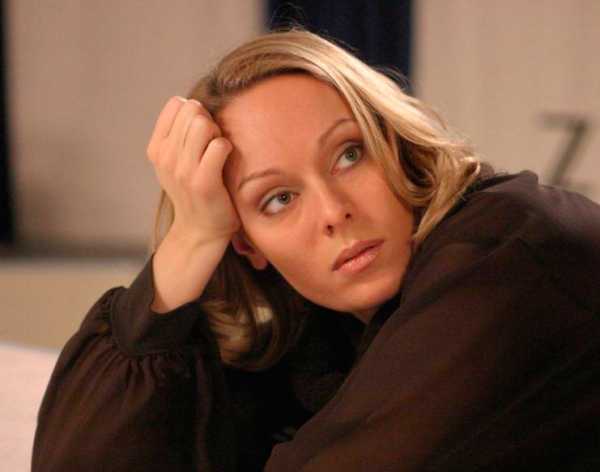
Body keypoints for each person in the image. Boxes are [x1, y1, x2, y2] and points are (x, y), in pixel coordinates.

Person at [32, 27, 600, 472]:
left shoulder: (509, 256)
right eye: (278, 199)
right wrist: (191, 238)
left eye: (349, 155)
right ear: (245, 243)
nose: (332, 212)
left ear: (397, 146)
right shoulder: (321, 342)